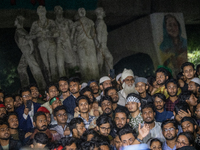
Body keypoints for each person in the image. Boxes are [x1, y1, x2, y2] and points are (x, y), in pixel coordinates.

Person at [14, 15, 46, 89]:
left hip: (26, 49)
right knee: (21, 67)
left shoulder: (19, 30)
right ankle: (25, 86)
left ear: (18, 22)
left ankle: (42, 86)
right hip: (25, 50)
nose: (14, 22)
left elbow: (28, 38)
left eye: (16, 20)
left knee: (33, 66)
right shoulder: (19, 30)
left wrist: (31, 47)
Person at [30, 5, 58, 82]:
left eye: (43, 10)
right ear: (37, 13)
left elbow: (57, 33)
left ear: (45, 11)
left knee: (53, 62)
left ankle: (55, 80)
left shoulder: (51, 22)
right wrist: (36, 35)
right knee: (45, 63)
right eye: (40, 11)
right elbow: (30, 36)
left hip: (51, 43)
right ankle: (48, 80)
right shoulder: (35, 24)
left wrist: (51, 34)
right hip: (41, 44)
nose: (41, 12)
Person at [72, 7, 99, 81]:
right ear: (78, 13)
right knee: (83, 61)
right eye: (80, 11)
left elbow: (93, 34)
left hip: (89, 42)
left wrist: (96, 42)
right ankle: (85, 79)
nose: (82, 12)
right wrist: (74, 44)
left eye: (83, 10)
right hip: (80, 43)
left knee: (92, 60)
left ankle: (95, 78)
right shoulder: (76, 23)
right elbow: (74, 35)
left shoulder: (90, 22)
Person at [54, 6, 77, 77]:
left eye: (60, 9)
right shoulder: (53, 23)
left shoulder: (67, 21)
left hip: (68, 43)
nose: (58, 11)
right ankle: (62, 80)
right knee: (60, 63)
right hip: (58, 44)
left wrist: (72, 37)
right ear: (55, 12)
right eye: (57, 10)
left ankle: (75, 78)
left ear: (62, 11)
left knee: (72, 61)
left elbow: (74, 28)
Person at [95, 7, 113, 74]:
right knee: (103, 61)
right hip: (102, 45)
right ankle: (110, 75)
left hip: (103, 45)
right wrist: (99, 44)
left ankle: (110, 75)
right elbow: (99, 33)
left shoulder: (99, 22)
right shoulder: (100, 22)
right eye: (102, 11)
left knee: (105, 60)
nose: (104, 13)